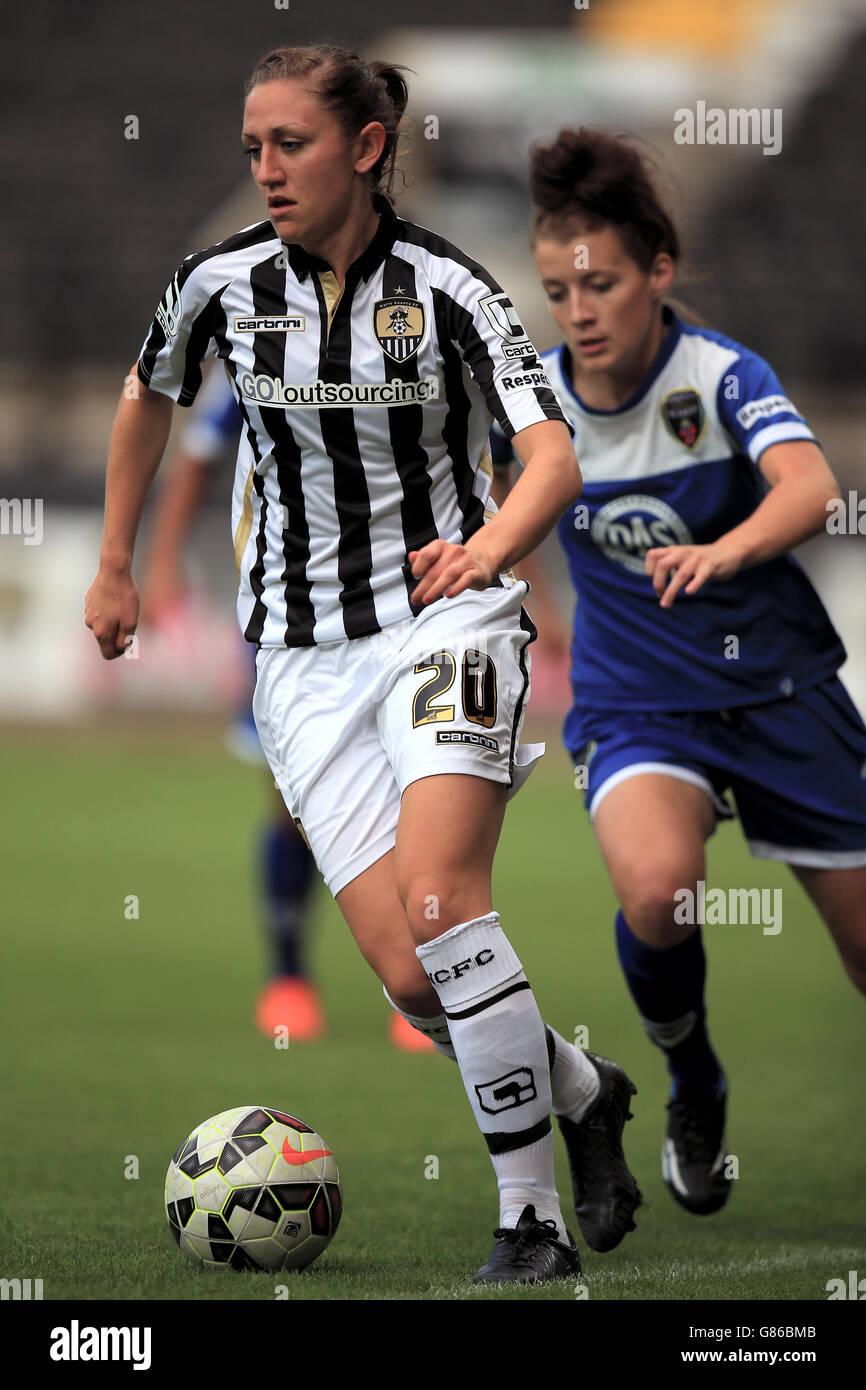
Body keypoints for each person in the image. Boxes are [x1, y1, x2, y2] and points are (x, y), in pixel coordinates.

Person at [85, 45, 642, 1282]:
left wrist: (491, 551)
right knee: (407, 975)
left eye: (290, 144)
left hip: (445, 618)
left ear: (366, 148)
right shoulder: (218, 283)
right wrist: (118, 560)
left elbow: (548, 454)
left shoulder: (450, 287)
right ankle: (585, 1086)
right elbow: (145, 396)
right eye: (252, 149)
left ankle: (529, 1219)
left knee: (447, 905)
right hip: (297, 656)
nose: (266, 169)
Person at [492, 126, 866, 1218]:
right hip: (638, 705)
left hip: (781, 694)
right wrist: (522, 608)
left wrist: (724, 547)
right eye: (558, 289)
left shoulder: (718, 374)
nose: (578, 309)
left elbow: (809, 489)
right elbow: (506, 523)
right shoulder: (536, 406)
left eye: (600, 282)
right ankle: (690, 1082)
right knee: (655, 889)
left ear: (656, 271)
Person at [140, 363, 434, 1051]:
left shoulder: (406, 329)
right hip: (289, 616)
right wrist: (158, 566)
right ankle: (289, 977)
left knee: (414, 797)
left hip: (407, 610)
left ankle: (417, 982)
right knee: (294, 803)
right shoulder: (254, 346)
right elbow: (195, 456)